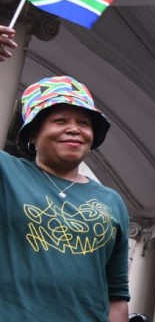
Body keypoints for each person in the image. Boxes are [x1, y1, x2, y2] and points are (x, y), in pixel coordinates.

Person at [0, 75, 130, 322]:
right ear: (33, 135)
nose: (74, 129)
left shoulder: (112, 202)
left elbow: (117, 295)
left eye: (84, 123)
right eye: (60, 121)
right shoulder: (7, 172)